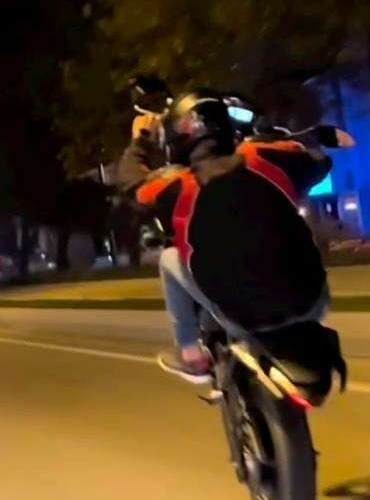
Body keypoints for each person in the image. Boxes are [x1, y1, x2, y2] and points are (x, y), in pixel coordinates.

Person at [118, 90, 332, 384]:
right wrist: (270, 137)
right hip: (313, 304)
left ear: (176, 138)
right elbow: (318, 161)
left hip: (242, 319)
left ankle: (192, 355)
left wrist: (140, 141)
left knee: (169, 258)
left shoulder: (175, 186)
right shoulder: (265, 158)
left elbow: (131, 184)